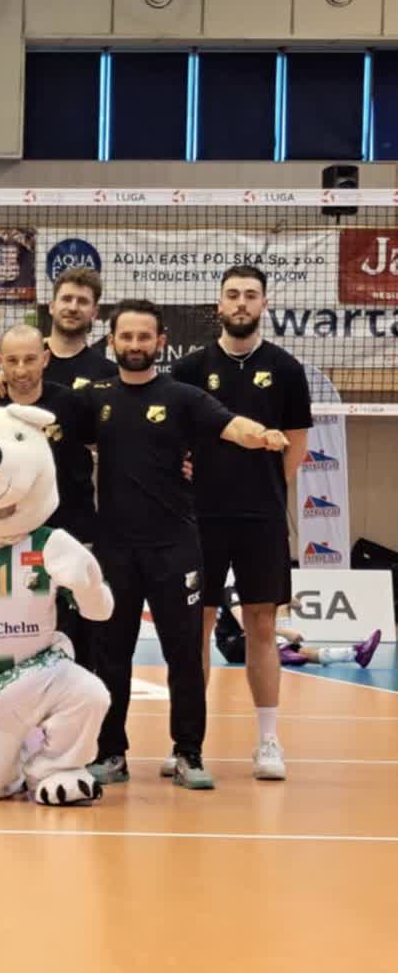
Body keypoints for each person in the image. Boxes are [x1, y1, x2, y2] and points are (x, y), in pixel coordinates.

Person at [60, 299, 288, 791]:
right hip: (115, 550)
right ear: (111, 342)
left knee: (184, 655)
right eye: (126, 336)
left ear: (160, 342)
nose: (135, 345)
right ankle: (111, 753)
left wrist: (262, 435)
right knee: (111, 656)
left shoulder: (183, 397)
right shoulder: (95, 398)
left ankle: (188, 754)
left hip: (175, 548)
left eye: (144, 337)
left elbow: (231, 425)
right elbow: (45, 416)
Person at [171, 264, 312, 781]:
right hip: (199, 517)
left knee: (262, 625)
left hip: (261, 518)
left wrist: (264, 489)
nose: (241, 303)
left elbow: (296, 446)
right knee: (197, 627)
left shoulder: (286, 368)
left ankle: (268, 741)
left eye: (251, 295)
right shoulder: (189, 368)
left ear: (264, 304)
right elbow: (173, 439)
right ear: (219, 303)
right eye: (232, 294)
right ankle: (188, 743)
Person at [0, 326, 103, 671]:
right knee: (10, 632)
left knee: (76, 632)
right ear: (0, 362)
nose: (21, 370)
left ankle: (76, 699)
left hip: (69, 533)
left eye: (30, 359)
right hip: (6, 538)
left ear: (45, 359)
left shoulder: (72, 404)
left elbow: (112, 442)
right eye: (12, 360)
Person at [213, 584, 382, 669]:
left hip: (255, 641)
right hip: (232, 644)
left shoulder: (259, 590)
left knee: (300, 652)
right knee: (284, 640)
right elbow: (245, 624)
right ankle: (283, 648)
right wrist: (284, 632)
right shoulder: (231, 591)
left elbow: (297, 604)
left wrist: (278, 588)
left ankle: (354, 654)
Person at [41, 267, 116, 390]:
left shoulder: (109, 374)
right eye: (66, 299)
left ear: (94, 312)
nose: (73, 308)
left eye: (82, 301)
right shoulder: (24, 361)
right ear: (52, 307)